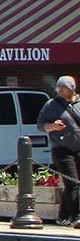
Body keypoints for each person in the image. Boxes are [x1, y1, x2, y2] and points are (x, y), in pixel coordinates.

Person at [39, 76, 80, 224]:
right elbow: (40, 125)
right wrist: (52, 127)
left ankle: (62, 216)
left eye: (64, 87)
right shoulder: (51, 105)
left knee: (73, 183)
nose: (61, 90)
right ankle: (76, 217)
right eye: (59, 87)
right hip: (61, 149)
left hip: (78, 148)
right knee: (72, 182)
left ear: (72, 88)